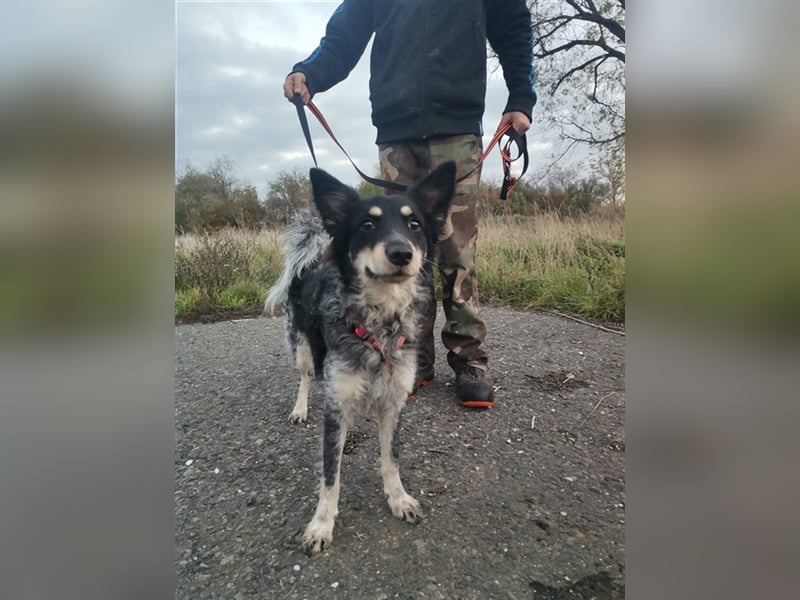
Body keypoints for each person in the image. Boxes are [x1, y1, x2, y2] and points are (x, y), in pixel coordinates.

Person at [283, 0, 536, 408]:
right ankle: (412, 357)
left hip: (458, 129)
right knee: (399, 251)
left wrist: (521, 95)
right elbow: (344, 34)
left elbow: (514, 27)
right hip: (395, 132)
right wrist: (309, 72)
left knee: (457, 253)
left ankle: (470, 360)